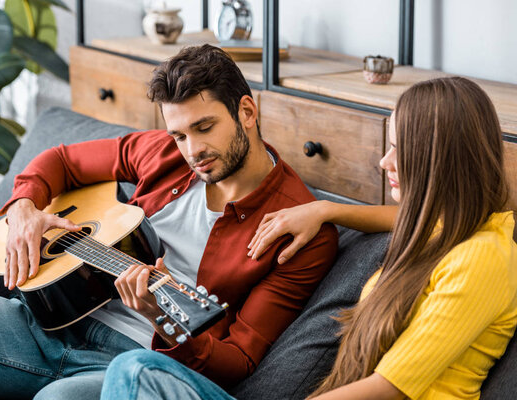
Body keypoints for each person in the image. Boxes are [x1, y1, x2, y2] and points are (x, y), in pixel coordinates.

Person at [0, 44, 338, 400]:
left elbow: (240, 360)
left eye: (204, 127)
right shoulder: (164, 153)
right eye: (179, 134)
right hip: (48, 321)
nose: (192, 150)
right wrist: (24, 207)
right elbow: (62, 161)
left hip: (131, 361)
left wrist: (163, 320)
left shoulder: (299, 230)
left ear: (247, 111)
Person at [99, 76, 517, 400]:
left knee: (136, 370)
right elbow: (408, 216)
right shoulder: (449, 227)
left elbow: (389, 388)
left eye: (399, 147)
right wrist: (324, 209)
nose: (383, 161)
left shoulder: (484, 258)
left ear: (438, 158)